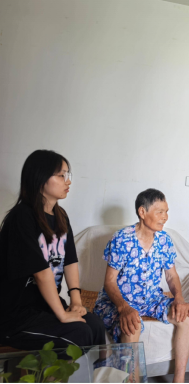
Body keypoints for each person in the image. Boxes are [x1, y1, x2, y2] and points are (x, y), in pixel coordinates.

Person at [0, 150, 106, 349]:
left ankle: (102, 369)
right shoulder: (22, 217)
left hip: (46, 306)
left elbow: (70, 261)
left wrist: (76, 301)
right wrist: (62, 314)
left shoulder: (60, 215)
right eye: (61, 175)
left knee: (96, 325)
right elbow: (41, 273)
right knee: (79, 332)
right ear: (40, 178)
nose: (68, 181)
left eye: (68, 175)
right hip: (15, 315)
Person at [94, 189, 189, 384]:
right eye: (160, 212)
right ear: (142, 212)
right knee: (133, 325)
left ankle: (179, 380)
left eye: (166, 212)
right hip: (121, 301)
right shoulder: (121, 239)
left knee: (186, 316)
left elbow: (171, 275)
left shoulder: (164, 240)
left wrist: (179, 298)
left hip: (151, 299)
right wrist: (124, 307)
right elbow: (109, 281)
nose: (165, 217)